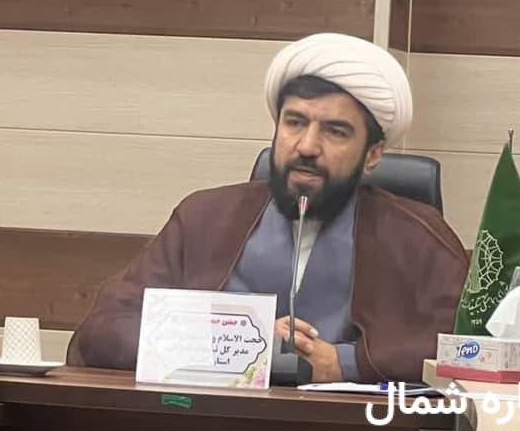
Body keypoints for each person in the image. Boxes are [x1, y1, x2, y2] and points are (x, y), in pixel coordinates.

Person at [66, 33, 468, 383]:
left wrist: (344, 363)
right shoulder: (204, 218)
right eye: (295, 123)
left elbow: (470, 349)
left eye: (335, 131)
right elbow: (103, 331)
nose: (307, 146)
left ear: (373, 154)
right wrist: (239, 342)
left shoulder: (419, 237)